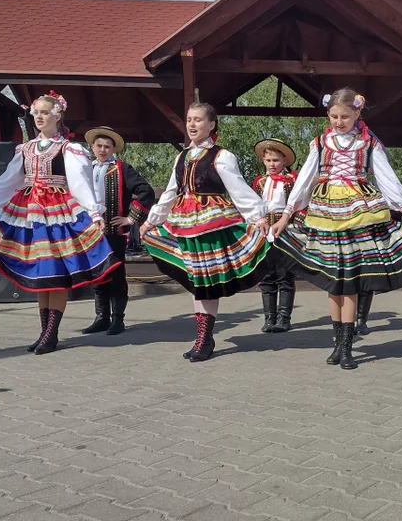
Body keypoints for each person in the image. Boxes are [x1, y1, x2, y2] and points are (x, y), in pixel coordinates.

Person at [270, 87, 402, 370]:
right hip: (325, 215)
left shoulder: (368, 143)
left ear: (357, 113)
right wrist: (286, 216)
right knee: (334, 281)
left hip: (360, 212)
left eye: (344, 116)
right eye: (333, 116)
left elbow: (386, 178)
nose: (338, 121)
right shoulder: (320, 143)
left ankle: (347, 347)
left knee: (350, 281)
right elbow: (305, 181)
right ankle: (337, 344)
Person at [0, 92, 118, 355]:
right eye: (36, 113)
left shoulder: (69, 149)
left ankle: (51, 333)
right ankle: (44, 332)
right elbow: (8, 181)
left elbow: (80, 183)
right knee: (41, 275)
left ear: (57, 115)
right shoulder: (27, 148)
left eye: (44, 112)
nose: (39, 117)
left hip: (58, 213)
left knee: (54, 273)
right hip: (30, 212)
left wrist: (95, 212)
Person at [140, 102, 270, 361]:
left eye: (198, 120)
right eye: (189, 119)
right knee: (197, 280)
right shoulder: (182, 156)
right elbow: (170, 192)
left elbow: (238, 188)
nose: (192, 124)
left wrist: (258, 217)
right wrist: (152, 220)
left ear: (211, 125)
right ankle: (203, 337)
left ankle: (204, 339)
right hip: (183, 221)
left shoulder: (222, 156)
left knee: (205, 281)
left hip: (211, 221)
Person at [82, 126, 156, 336]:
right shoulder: (85, 168)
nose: (103, 150)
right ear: (92, 147)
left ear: (114, 149)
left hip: (114, 231)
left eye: (107, 146)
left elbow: (146, 191)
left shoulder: (122, 168)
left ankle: (117, 320)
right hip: (90, 231)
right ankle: (101, 317)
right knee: (97, 273)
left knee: (115, 273)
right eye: (99, 146)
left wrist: (131, 218)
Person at [252, 139, 299, 333]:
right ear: (263, 160)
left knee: (285, 274)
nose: (272, 164)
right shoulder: (260, 182)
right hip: (264, 230)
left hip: (285, 229)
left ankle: (284, 319)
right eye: (268, 159)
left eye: (276, 160)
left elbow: (299, 206)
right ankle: (269, 318)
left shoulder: (293, 181)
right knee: (267, 274)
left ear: (285, 160)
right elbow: (254, 205)